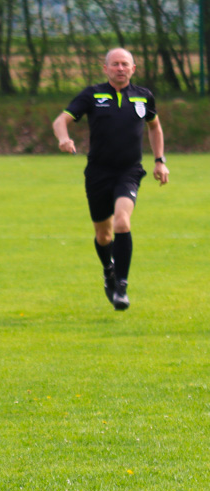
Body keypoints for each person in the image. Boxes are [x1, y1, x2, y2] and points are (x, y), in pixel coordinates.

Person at [52, 47, 169, 310]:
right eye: (114, 64)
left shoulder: (143, 97)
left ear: (133, 68)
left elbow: (155, 127)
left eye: (124, 64)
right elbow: (61, 120)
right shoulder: (92, 94)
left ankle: (122, 287)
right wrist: (63, 138)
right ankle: (109, 270)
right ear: (105, 68)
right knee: (103, 235)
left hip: (129, 172)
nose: (120, 68)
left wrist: (160, 161)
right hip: (98, 173)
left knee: (122, 221)